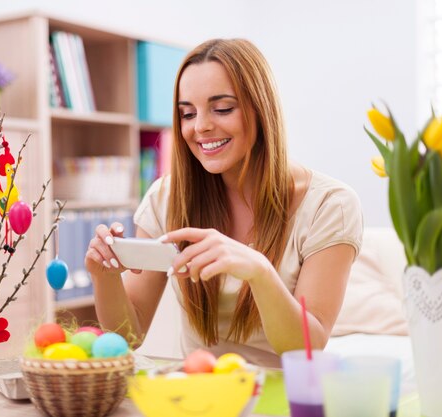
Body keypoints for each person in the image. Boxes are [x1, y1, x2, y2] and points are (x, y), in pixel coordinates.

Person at [84, 38, 363, 367]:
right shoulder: (166, 198)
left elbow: (308, 348)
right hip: (200, 395)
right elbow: (129, 336)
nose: (200, 126)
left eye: (222, 109)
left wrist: (259, 271)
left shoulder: (330, 205)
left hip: (281, 396)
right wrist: (105, 278)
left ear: (262, 109)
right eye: (188, 113)